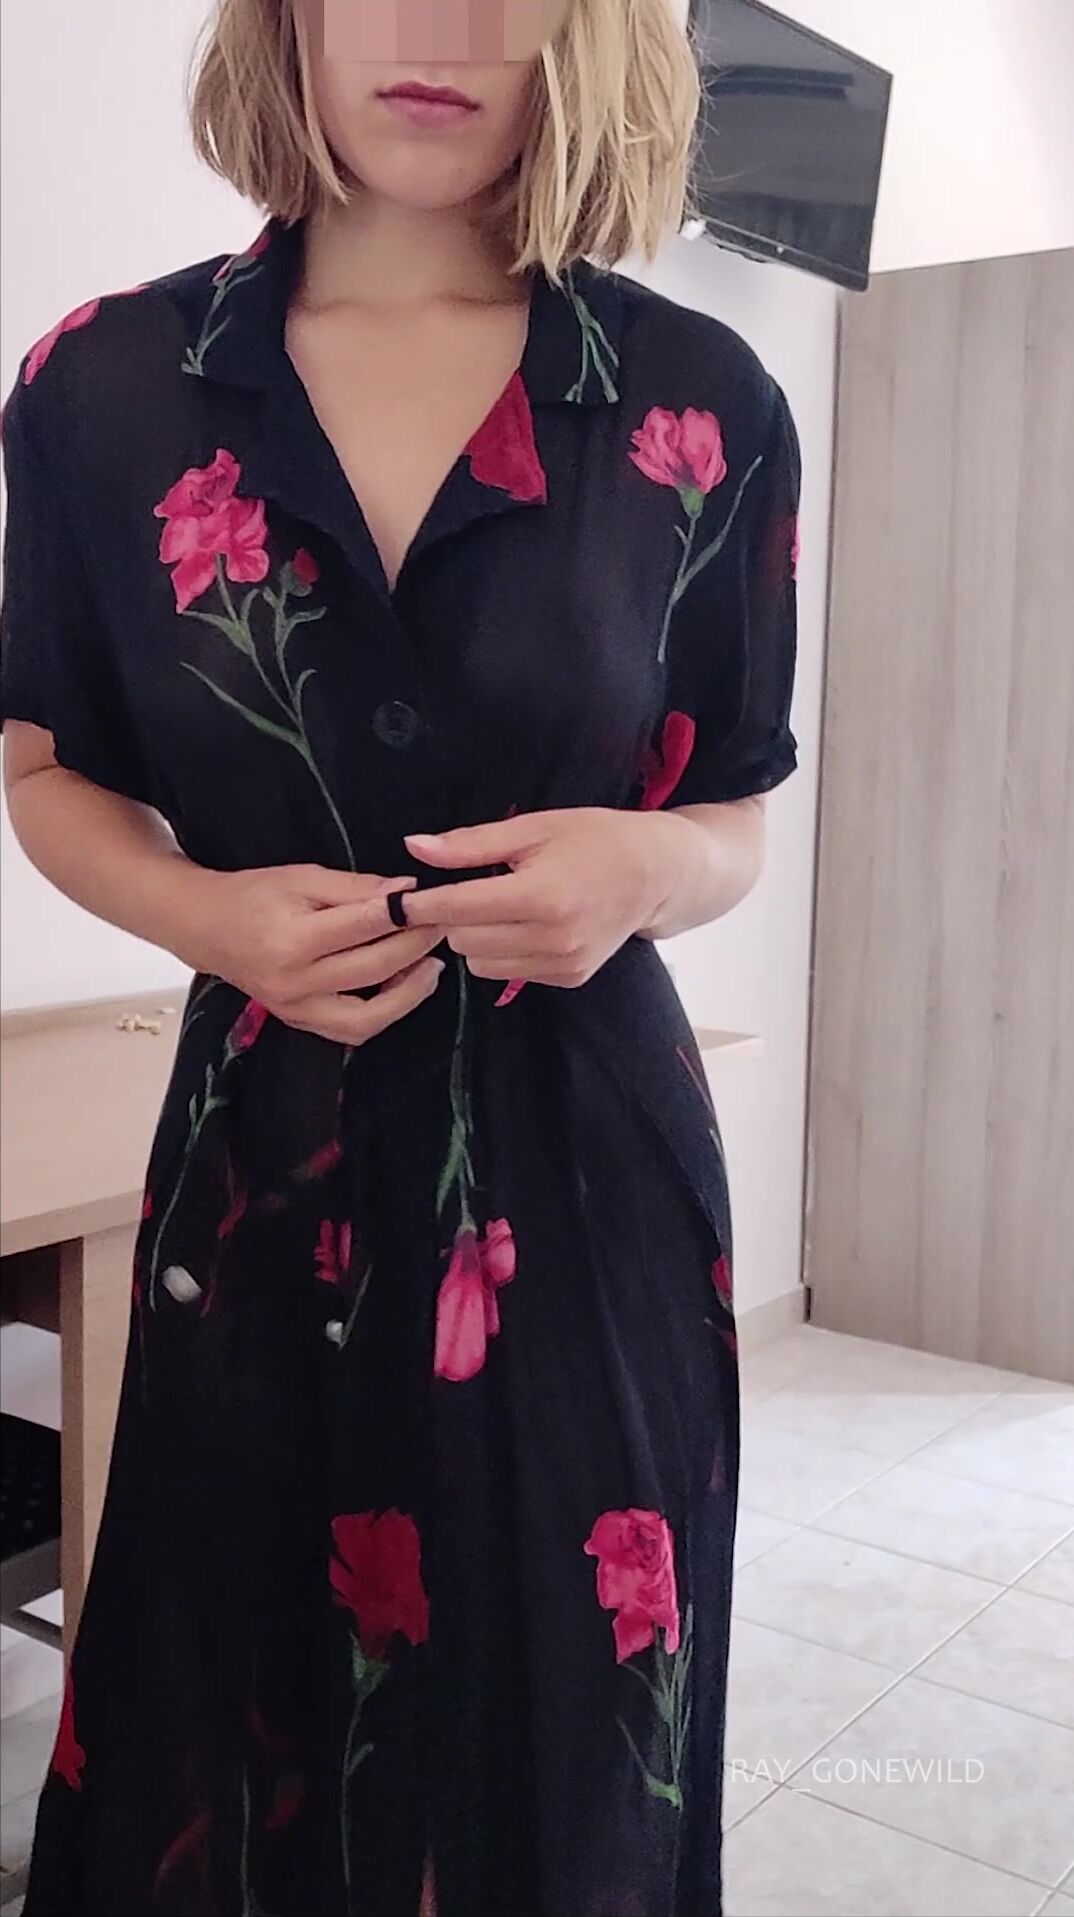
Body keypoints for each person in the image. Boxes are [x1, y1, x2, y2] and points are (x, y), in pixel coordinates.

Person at [0, 1, 801, 1911]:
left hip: (585, 1190)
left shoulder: (702, 401)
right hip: (254, 1179)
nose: (438, 26)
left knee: (561, 1767)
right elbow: (42, 764)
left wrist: (640, 866)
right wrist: (204, 915)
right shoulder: (102, 387)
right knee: (223, 1730)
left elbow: (732, 815)